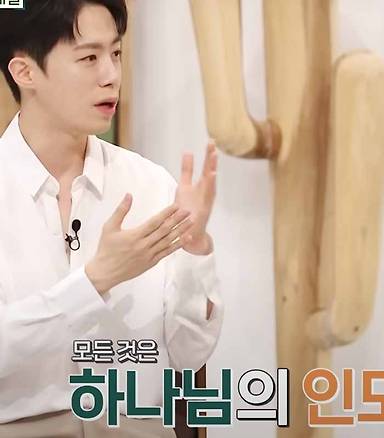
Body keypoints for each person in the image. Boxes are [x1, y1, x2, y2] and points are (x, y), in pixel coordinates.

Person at [0, 0, 223, 436]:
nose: (111, 75)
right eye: (89, 58)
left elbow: (190, 355)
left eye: (116, 53)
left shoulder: (150, 184)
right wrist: (95, 281)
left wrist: (195, 253)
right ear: (25, 72)